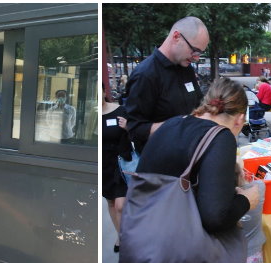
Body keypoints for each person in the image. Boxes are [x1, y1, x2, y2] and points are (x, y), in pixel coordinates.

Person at [126, 77, 261, 261]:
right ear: (240, 119)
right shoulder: (220, 137)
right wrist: (246, 200)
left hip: (139, 239)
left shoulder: (170, 124)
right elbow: (214, 217)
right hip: (175, 251)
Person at [125, 16, 209, 153]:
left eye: (200, 52)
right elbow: (134, 128)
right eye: (194, 50)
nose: (196, 58)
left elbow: (199, 105)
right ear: (176, 37)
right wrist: (177, 125)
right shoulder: (145, 75)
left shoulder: (186, 69)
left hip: (189, 155)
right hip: (160, 165)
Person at [102, 91, 131, 253]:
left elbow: (135, 133)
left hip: (121, 163)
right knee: (111, 202)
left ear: (104, 92)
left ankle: (127, 238)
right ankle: (120, 235)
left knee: (121, 204)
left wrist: (128, 127)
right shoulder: (93, 115)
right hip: (104, 165)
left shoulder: (121, 110)